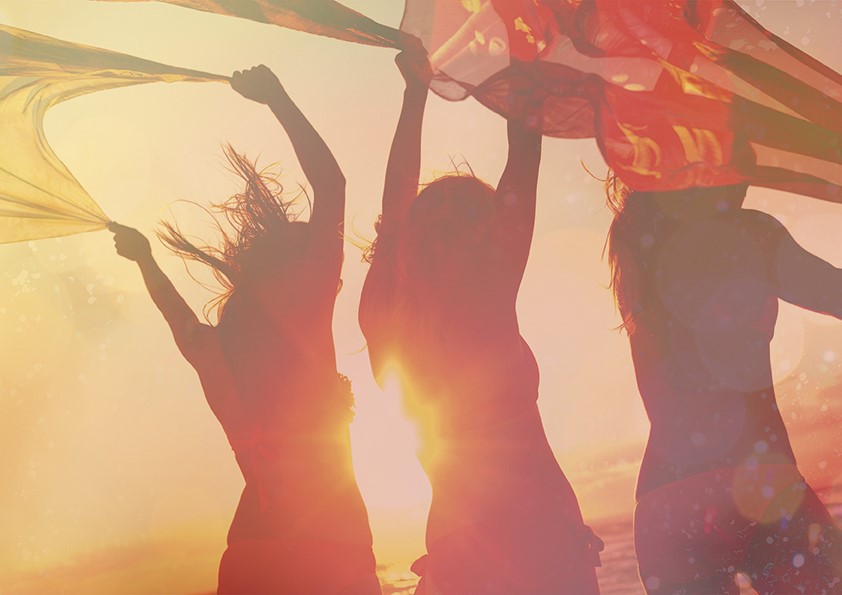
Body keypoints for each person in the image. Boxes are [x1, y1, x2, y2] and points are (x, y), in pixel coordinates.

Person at [111, 65, 380, 595]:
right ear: (294, 268)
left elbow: (180, 320)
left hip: (252, 552)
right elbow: (333, 184)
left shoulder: (220, 348)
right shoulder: (302, 312)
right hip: (329, 544)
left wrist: (145, 259)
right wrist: (277, 97)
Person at [358, 43, 602, 594]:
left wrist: (415, 95)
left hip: (455, 552)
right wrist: (523, 41)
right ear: (484, 234)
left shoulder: (383, 316)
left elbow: (393, 210)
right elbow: (524, 154)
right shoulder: (485, 295)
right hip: (539, 539)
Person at [605, 180, 842, 593]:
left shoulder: (637, 240)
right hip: (758, 484)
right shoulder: (750, 233)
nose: (748, 173)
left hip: (667, 510)